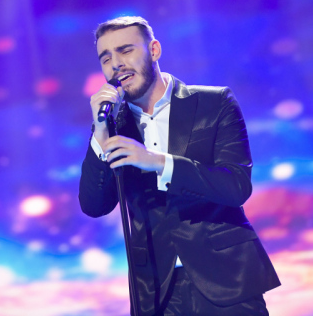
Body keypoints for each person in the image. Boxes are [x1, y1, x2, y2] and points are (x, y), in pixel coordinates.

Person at [79, 16, 280, 316]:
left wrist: (159, 163)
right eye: (106, 58)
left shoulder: (214, 103)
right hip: (157, 292)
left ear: (154, 50)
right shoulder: (113, 127)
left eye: (125, 50)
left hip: (227, 279)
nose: (116, 64)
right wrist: (100, 133)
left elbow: (236, 186)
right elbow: (94, 205)